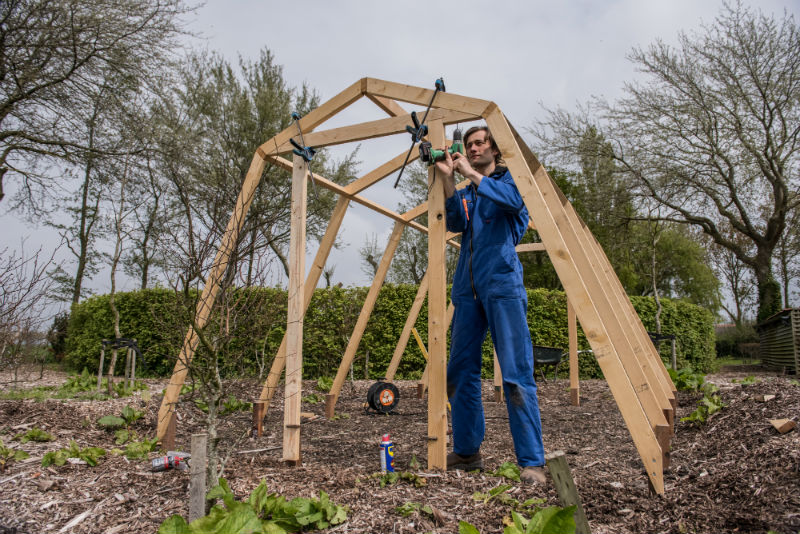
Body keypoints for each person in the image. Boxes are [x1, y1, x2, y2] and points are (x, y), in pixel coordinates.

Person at [434, 126, 546, 484]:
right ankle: (468, 452)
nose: (473, 149)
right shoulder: (469, 192)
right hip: (468, 288)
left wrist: (469, 173)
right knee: (460, 371)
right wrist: (450, 181)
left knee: (515, 372)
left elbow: (514, 204)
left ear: (495, 149)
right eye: (468, 145)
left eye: (479, 143)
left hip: (501, 283)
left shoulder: (512, 183)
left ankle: (532, 462)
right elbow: (455, 222)